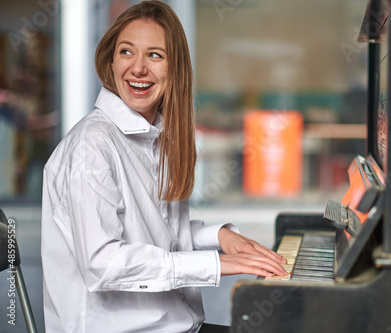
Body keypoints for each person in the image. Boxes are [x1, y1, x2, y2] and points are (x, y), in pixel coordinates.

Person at [40, 1, 287, 332]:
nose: (138, 68)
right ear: (110, 61)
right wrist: (214, 264)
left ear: (175, 69)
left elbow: (154, 233)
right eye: (127, 52)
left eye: (154, 55)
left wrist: (218, 236)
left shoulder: (155, 137)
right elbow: (104, 263)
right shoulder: (92, 147)